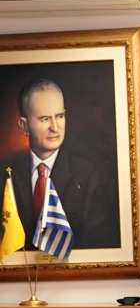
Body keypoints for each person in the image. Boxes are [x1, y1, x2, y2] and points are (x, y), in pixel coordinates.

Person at [1, 78, 120, 250]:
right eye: (44, 119)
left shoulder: (92, 175)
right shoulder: (5, 172)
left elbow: (99, 244)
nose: (55, 128)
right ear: (24, 126)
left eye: (59, 116)